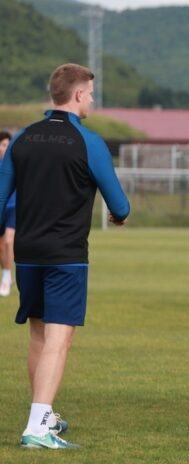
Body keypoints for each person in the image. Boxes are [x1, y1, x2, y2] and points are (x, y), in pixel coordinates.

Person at [0, 63, 130, 449]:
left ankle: (45, 414)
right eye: (90, 93)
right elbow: (119, 205)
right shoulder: (88, 142)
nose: (91, 99)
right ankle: (37, 428)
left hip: (27, 254)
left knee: (39, 337)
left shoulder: (23, 137)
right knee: (59, 338)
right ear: (77, 95)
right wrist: (117, 216)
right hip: (66, 256)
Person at [0, 130, 14, 296]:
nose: (5, 148)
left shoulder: (15, 163)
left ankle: (6, 278)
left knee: (9, 241)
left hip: (14, 206)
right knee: (1, 247)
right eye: (3, 145)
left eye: (7, 145)